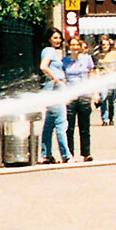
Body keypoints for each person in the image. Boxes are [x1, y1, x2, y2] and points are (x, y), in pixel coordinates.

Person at [38, 29, 70, 163]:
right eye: (55, 37)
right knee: (61, 122)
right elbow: (43, 67)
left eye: (59, 38)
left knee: (49, 124)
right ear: (49, 38)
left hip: (50, 90)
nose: (58, 40)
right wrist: (56, 80)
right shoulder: (49, 51)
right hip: (55, 90)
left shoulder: (48, 50)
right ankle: (66, 156)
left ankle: (46, 154)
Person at [63, 36, 97, 161]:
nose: (75, 47)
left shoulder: (87, 59)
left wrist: (94, 92)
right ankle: (69, 154)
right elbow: (63, 78)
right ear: (69, 47)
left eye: (77, 45)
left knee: (84, 126)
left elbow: (91, 74)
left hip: (84, 95)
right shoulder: (65, 61)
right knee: (69, 127)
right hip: (70, 96)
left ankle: (86, 153)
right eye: (72, 45)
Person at [96, 38, 116, 125]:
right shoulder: (98, 55)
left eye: (107, 44)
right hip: (102, 79)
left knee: (111, 100)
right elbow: (97, 67)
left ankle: (111, 117)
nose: (105, 46)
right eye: (103, 44)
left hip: (112, 79)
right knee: (103, 98)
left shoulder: (115, 54)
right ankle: (105, 119)